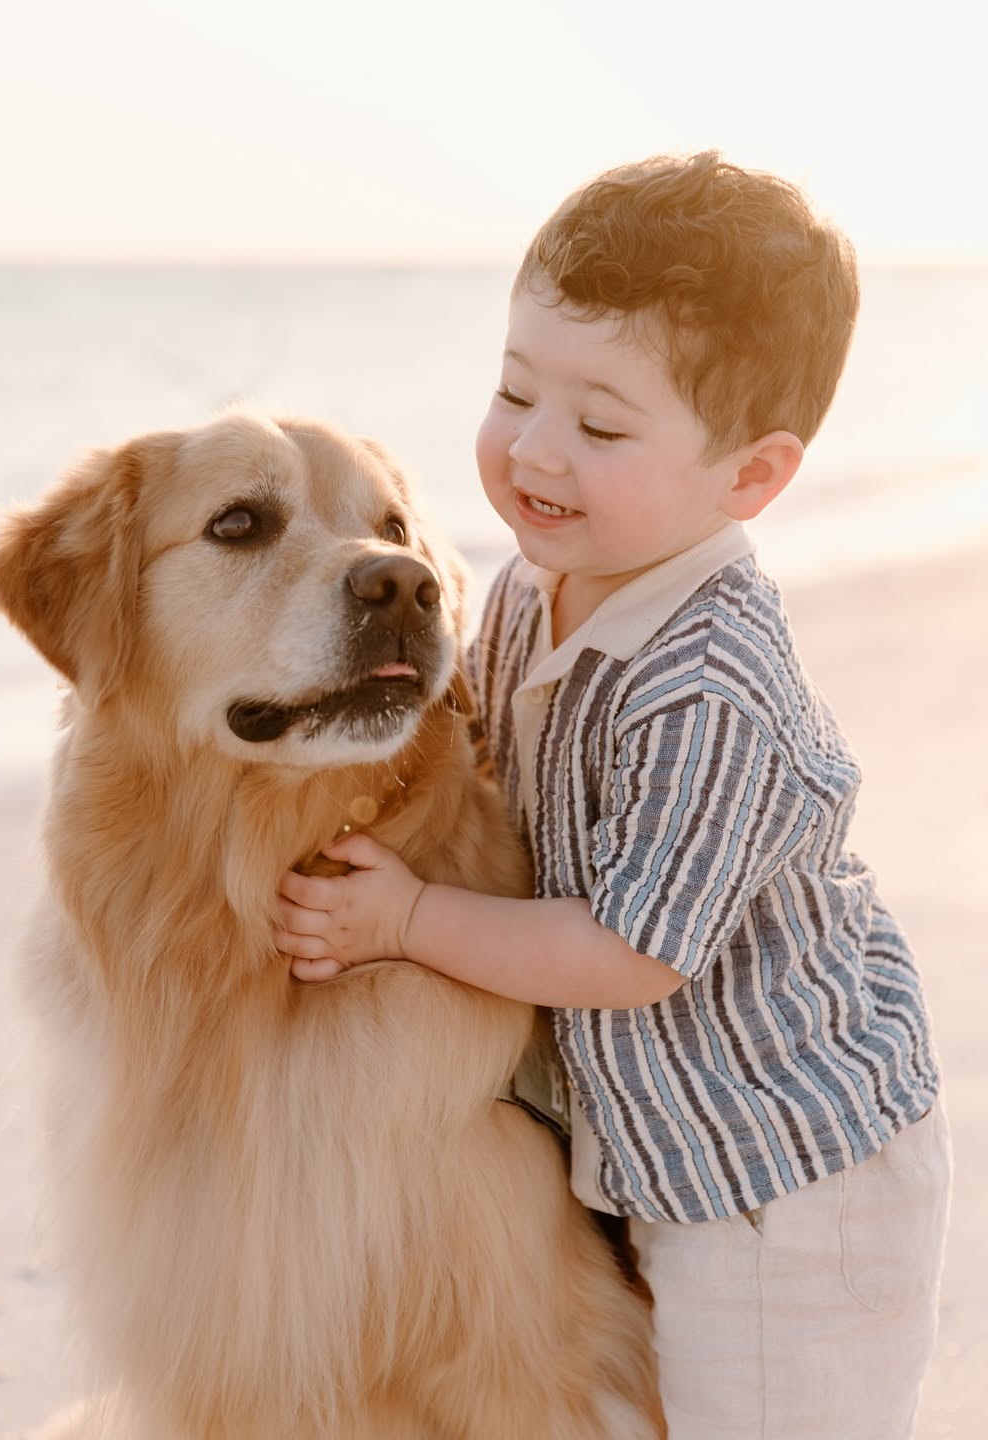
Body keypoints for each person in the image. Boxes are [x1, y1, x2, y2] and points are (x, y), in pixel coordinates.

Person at [275, 152, 950, 1438]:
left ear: (750, 478)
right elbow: (459, 748)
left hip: (787, 1184)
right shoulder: (539, 582)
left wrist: (406, 922)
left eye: (598, 426)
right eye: (514, 390)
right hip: (664, 1149)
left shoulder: (711, 689)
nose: (533, 449)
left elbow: (633, 952)